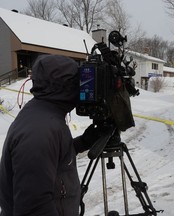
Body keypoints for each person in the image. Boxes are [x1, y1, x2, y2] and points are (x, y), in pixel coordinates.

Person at [0, 54, 99, 216]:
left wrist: (83, 142)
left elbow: (52, 159)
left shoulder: (46, 113)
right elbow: (33, 208)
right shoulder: (40, 130)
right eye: (78, 83)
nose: (82, 88)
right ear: (66, 86)